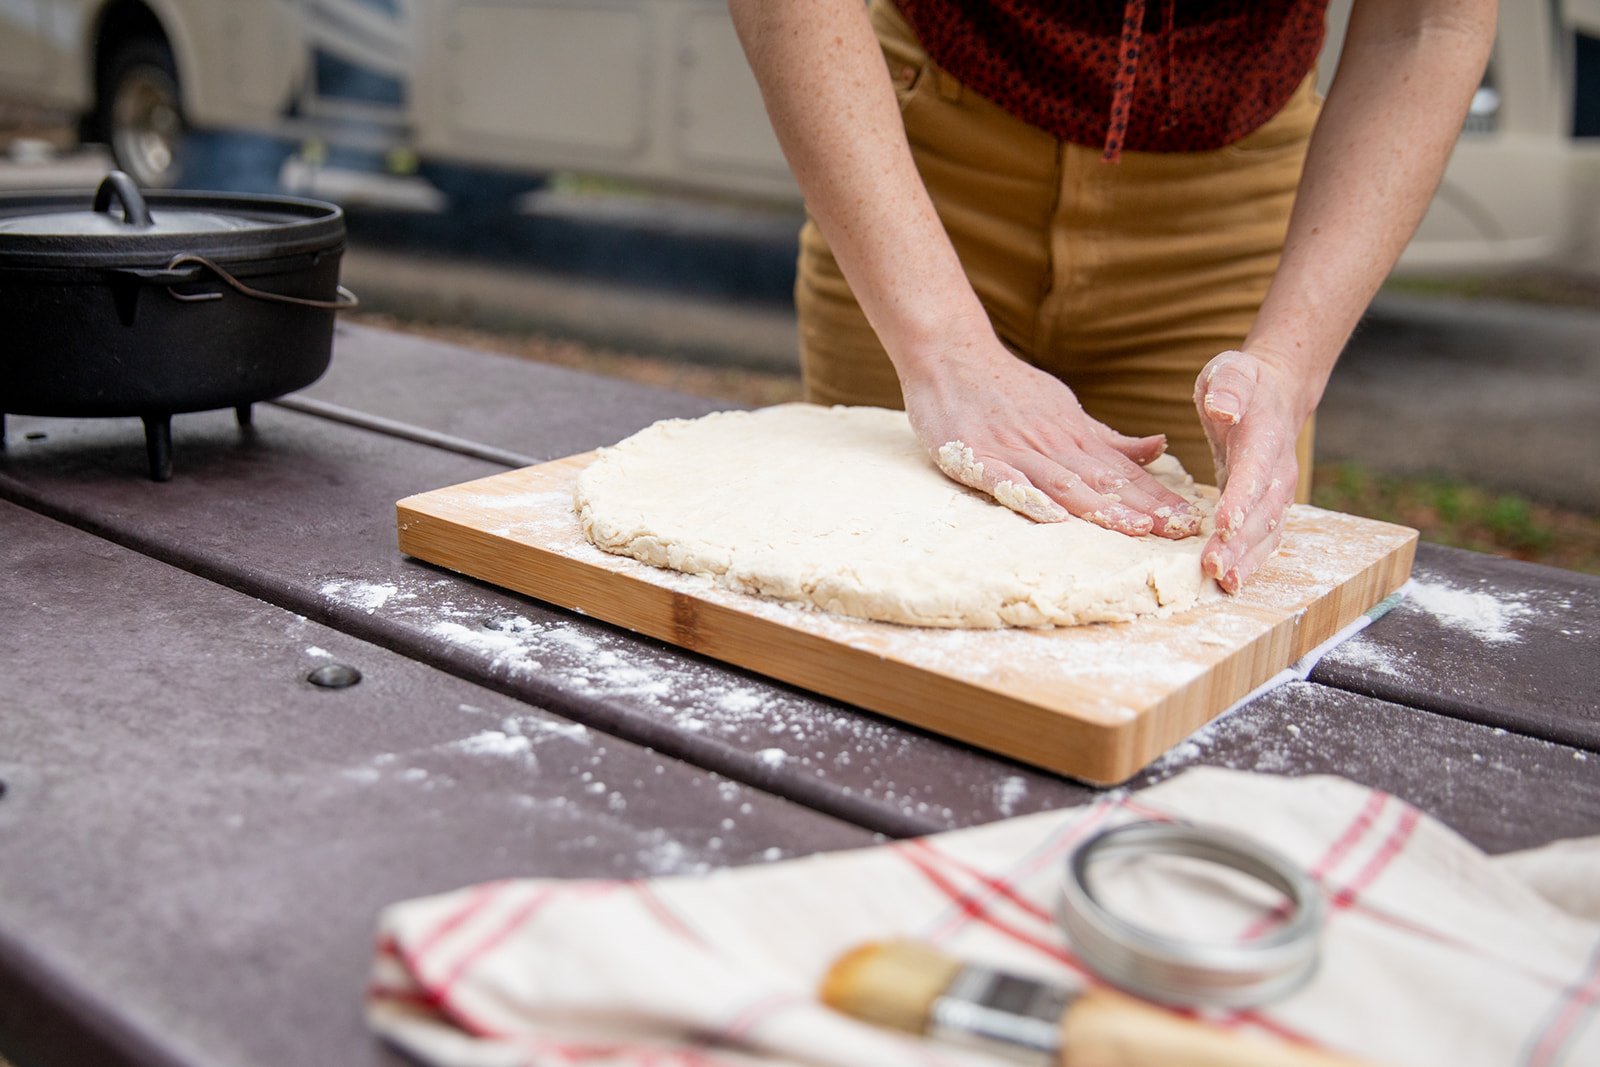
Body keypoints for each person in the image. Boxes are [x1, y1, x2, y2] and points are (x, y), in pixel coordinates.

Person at [725, 0, 1495, 592]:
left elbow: (1427, 21)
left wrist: (1290, 363)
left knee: (1192, 615)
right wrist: (940, 344)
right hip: (915, 166)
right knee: (871, 602)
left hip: (1228, 207)